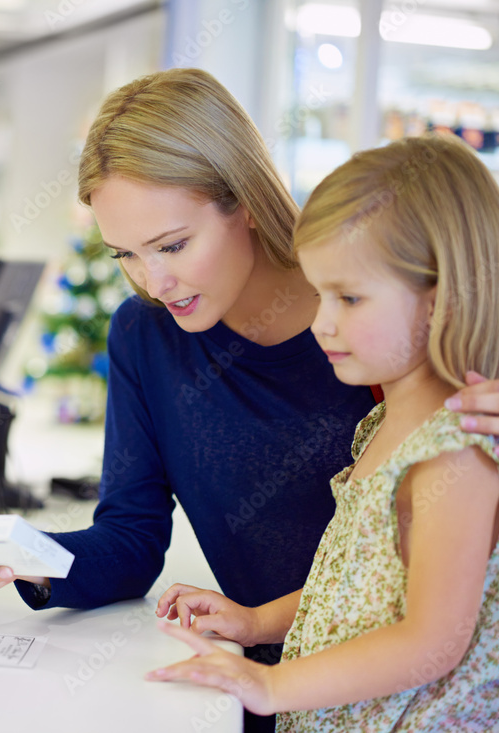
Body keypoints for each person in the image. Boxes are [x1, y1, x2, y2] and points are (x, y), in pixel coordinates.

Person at [0, 69, 499, 732]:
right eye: (126, 255)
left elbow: (444, 605)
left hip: (378, 698)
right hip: (253, 685)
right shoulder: (145, 335)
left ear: (243, 198)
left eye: (173, 245)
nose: (154, 280)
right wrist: (27, 556)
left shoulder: (387, 332)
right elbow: (132, 535)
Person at [149, 133, 499, 730]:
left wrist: (270, 682)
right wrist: (256, 622)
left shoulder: (453, 454)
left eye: (350, 298)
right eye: (320, 294)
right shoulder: (383, 423)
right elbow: (356, 594)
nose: (322, 323)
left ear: (442, 300)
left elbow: (433, 641)